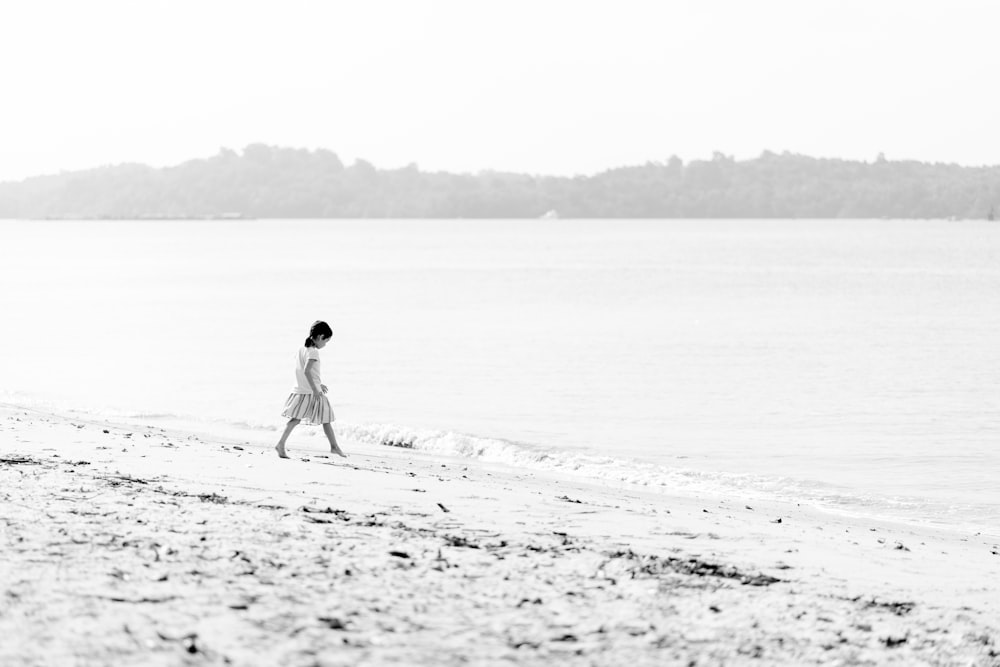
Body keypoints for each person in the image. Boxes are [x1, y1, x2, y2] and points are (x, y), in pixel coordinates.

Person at [275, 320, 347, 459]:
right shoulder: (313, 352)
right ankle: (334, 447)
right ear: (320, 337)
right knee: (326, 418)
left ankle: (281, 444)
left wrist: (318, 384)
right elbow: (307, 371)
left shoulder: (301, 349)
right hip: (310, 392)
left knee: (297, 420)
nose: (325, 345)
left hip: (301, 390)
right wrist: (315, 389)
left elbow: (302, 370)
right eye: (326, 341)